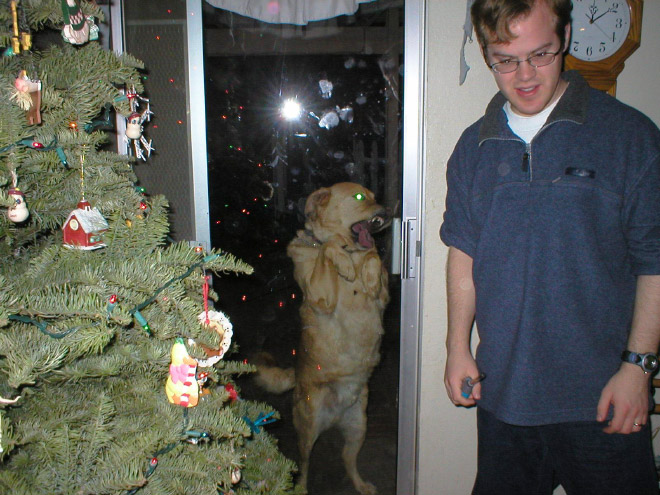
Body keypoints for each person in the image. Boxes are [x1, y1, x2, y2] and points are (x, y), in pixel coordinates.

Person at [440, 0, 660, 493]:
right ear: (486, 52)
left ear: (565, 38)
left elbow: (656, 262)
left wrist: (637, 370)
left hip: (604, 398)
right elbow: (463, 255)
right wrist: (458, 347)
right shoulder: (472, 147)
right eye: (505, 59)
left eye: (540, 54)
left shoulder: (630, 136)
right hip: (504, 398)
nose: (524, 76)